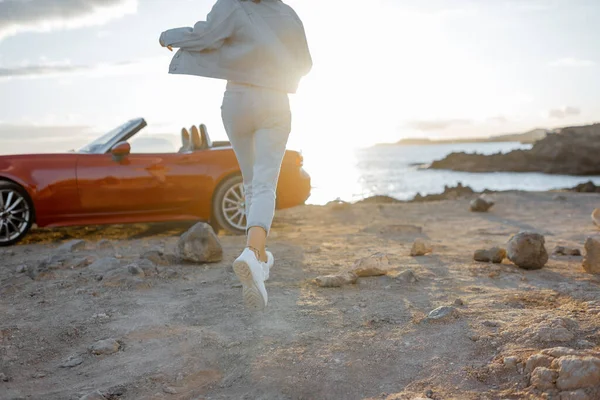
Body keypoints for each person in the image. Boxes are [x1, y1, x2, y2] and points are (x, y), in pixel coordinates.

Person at [159, 0, 312, 310]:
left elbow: (204, 36)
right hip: (273, 100)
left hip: (237, 100)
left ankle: (259, 258)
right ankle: (253, 254)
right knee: (265, 183)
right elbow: (305, 64)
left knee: (251, 181)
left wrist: (168, 36)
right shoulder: (287, 13)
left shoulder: (231, 5)